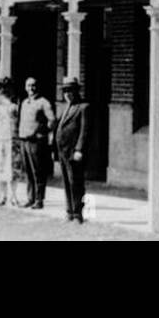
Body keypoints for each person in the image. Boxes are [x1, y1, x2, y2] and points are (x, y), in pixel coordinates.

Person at [55, 76, 89, 223]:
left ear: (77, 91)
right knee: (67, 182)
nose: (68, 94)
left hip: (73, 152)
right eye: (65, 91)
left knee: (76, 183)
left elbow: (84, 130)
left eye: (71, 91)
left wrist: (79, 149)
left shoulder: (83, 107)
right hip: (63, 151)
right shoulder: (65, 107)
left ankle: (78, 214)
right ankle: (69, 211)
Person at [18, 75, 55, 209]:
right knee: (27, 171)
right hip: (24, 141)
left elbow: (52, 120)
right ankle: (30, 198)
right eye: (28, 85)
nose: (31, 88)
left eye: (33, 85)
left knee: (38, 171)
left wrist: (42, 133)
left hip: (36, 142)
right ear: (25, 87)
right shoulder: (24, 102)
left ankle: (39, 200)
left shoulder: (43, 102)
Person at [0, 78, 19, 205]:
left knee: (13, 168)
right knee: (1, 167)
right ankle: (2, 196)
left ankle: (13, 196)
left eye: (6, 87)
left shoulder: (15, 105)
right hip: (0, 139)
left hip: (12, 139)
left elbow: (18, 121)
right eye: (1, 87)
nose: (3, 90)